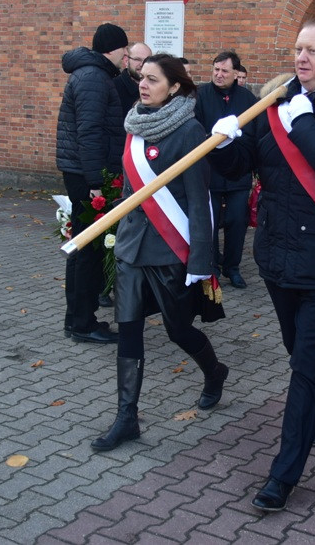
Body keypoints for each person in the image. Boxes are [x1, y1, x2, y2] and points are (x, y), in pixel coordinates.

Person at [210, 19, 315, 512]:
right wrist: (226, 146)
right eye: (297, 49)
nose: (300, 58)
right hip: (277, 257)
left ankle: (282, 477)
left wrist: (303, 122)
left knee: (303, 366)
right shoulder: (274, 103)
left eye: (311, 50)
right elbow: (247, 167)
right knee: (298, 350)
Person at [92, 54, 230, 452]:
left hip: (170, 249)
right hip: (133, 248)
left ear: (174, 87)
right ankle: (126, 418)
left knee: (178, 330)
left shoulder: (190, 132)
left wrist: (201, 260)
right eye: (141, 77)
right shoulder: (135, 124)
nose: (143, 84)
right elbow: (128, 191)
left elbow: (199, 201)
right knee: (129, 329)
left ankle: (215, 371)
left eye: (153, 79)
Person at [56, 23, 129, 345]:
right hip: (87, 177)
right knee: (87, 251)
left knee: (82, 247)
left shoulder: (92, 74)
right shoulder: (94, 78)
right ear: (112, 50)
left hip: (84, 174)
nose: (127, 57)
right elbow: (90, 133)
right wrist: (96, 183)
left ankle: (77, 319)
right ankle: (83, 323)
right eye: (125, 51)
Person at [195, 50, 256, 288]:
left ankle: (233, 266)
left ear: (236, 73)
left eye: (224, 71)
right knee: (209, 222)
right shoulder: (200, 95)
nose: (219, 75)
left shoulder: (247, 99)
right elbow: (195, 130)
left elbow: (253, 133)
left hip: (238, 173)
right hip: (209, 171)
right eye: (216, 70)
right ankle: (212, 265)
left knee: (236, 221)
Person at [100, 41, 153, 309]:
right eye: (137, 60)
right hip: (117, 163)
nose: (141, 67)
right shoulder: (115, 87)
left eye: (147, 62)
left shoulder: (150, 89)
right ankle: (106, 285)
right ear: (126, 61)